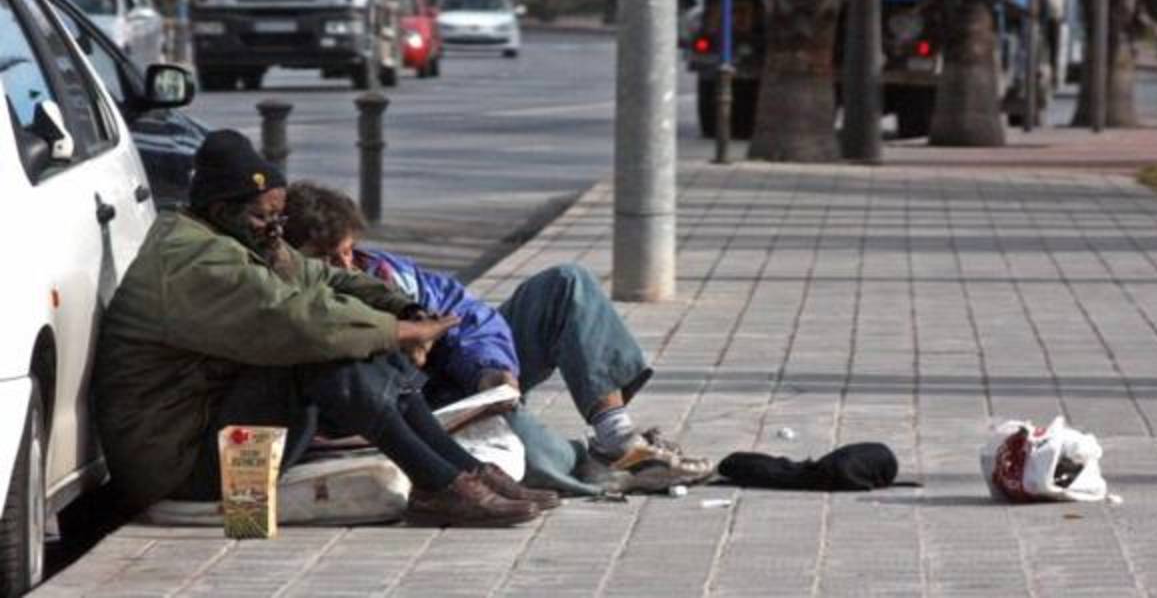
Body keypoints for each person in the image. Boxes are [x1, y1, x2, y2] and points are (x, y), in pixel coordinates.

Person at [92, 130, 559, 527]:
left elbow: (325, 277)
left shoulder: (234, 237)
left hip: (214, 434)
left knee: (361, 340)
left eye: (278, 217)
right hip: (178, 465)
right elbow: (300, 322)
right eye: (262, 216)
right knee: (323, 350)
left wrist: (403, 309)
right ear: (219, 207)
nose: (274, 229)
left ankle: (461, 473)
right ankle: (441, 484)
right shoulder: (196, 259)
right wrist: (398, 333)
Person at [282, 181, 714, 495]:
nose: (345, 266)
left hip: (463, 383)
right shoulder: (295, 303)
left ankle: (615, 436)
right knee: (541, 461)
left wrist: (491, 369)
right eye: (327, 259)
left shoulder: (388, 274)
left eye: (348, 251)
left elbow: (466, 314)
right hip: (414, 416)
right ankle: (594, 464)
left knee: (566, 283)